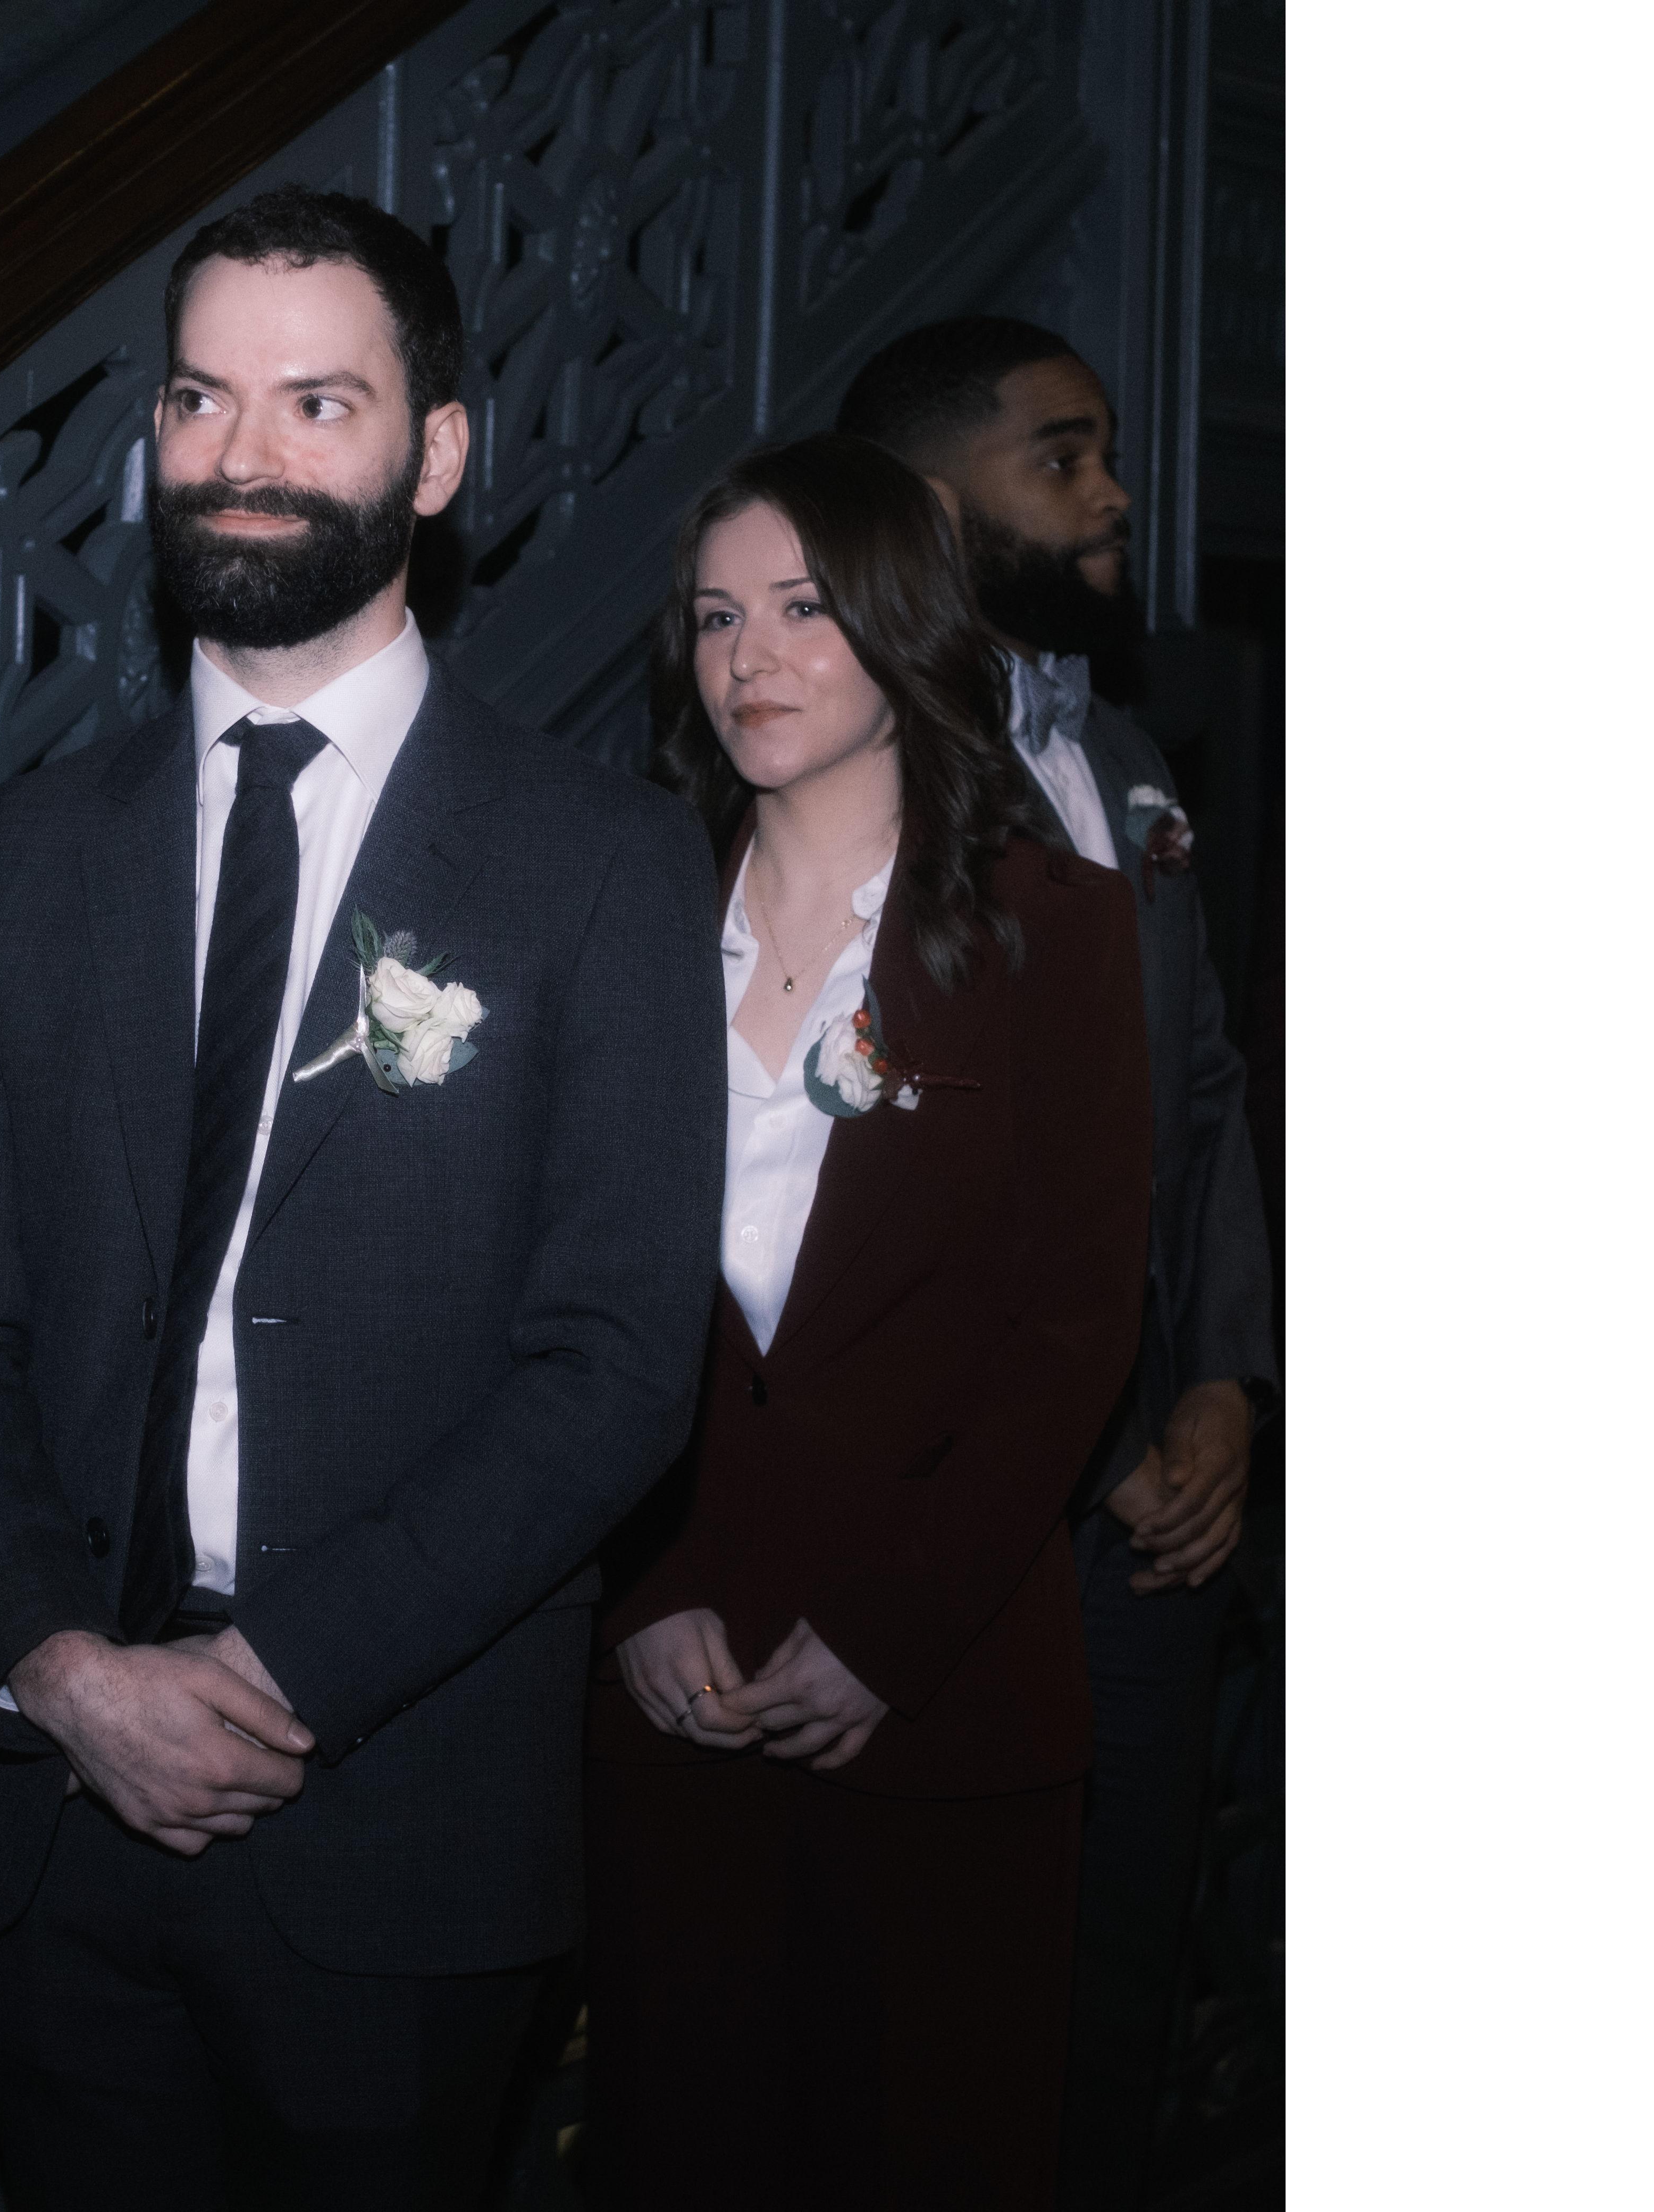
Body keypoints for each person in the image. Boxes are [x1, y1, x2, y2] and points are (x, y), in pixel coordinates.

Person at [0, 184, 726, 2212]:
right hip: (44, 1821)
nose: (240, 455)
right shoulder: (15, 857)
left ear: (436, 457)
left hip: (395, 1823)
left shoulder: (601, 861)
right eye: (198, 399)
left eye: (316, 403)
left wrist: (275, 1679)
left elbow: (614, 1368)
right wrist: (66, 1670)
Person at [582, 434, 1153, 2209]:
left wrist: (893, 1631)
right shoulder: (617, 915)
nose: (748, 659)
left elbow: (1076, 1325)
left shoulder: (1052, 926)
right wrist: (642, 1585)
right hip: (674, 1700)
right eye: (716, 618)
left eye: (802, 610)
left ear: (902, 622)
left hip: (951, 1698)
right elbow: (556, 1305)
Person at [838, 316, 1281, 2208]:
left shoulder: (1124, 750)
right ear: (936, 508)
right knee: (933, 2022)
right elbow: (864, 1180)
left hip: (1159, 1519)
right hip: (946, 1519)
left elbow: (1206, 1091)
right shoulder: (843, 757)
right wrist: (1077, 1440)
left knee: (1113, 2001)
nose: (1114, 494)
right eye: (1064, 457)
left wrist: (1228, 1388)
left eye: (1107, 453)